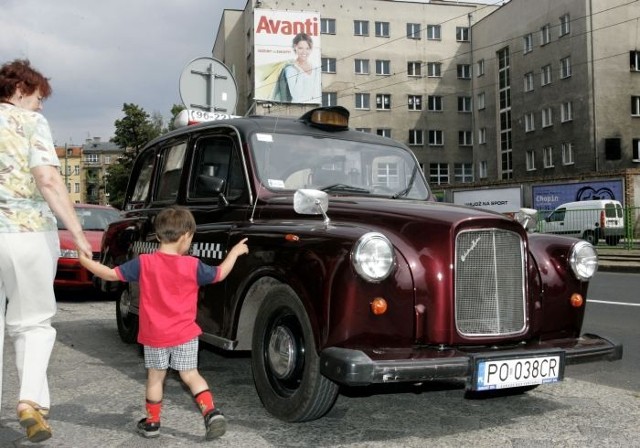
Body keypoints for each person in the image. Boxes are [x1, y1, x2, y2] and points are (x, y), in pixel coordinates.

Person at [78, 206, 249, 440]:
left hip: (155, 336)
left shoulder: (144, 263)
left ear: (158, 235)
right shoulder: (192, 265)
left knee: (155, 378)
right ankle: (211, 412)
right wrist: (235, 253)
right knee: (190, 374)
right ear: (187, 236)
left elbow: (110, 274)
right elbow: (220, 274)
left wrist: (85, 261)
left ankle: (152, 423)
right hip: (185, 334)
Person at [0, 58, 92, 443]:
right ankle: (27, 401)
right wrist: (79, 234)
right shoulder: (28, 122)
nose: (40, 106)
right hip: (24, 234)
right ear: (20, 90)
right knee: (33, 322)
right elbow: (49, 179)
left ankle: (38, 403)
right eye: (38, 98)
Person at [271, 32, 321, 103]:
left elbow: (316, 95)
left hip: (312, 109)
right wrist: (300, 73)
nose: (304, 52)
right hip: (296, 109)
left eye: (307, 48)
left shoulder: (315, 69)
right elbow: (296, 96)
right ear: (295, 47)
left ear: (311, 49)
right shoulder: (290, 69)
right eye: (300, 48)